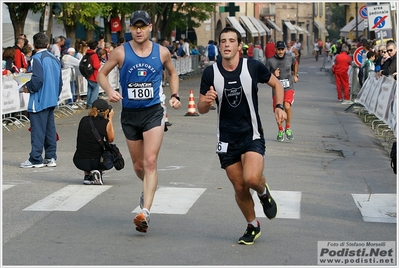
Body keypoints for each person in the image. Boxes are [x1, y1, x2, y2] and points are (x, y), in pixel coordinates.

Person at [197, 27, 286, 245]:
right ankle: (252, 225)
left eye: (231, 41)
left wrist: (280, 106)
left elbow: (277, 85)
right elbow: (200, 108)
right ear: (219, 45)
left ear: (239, 45)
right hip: (226, 139)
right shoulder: (211, 73)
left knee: (251, 179)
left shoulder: (252, 66)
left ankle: (263, 193)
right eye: (223, 41)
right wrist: (207, 102)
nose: (227, 44)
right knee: (239, 187)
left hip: (251, 134)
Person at [97, 10, 182, 233]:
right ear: (130, 28)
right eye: (135, 26)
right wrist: (110, 91)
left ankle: (145, 211)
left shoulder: (161, 52)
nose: (138, 30)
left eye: (142, 26)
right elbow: (101, 74)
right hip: (130, 115)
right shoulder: (120, 52)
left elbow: (172, 73)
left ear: (150, 28)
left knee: (150, 161)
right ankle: (149, 187)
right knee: (138, 166)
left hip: (153, 112)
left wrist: (174, 95)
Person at [20, 32, 63, 168]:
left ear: (33, 44)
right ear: (48, 44)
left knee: (37, 129)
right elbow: (60, 82)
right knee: (50, 129)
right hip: (51, 98)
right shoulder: (54, 58)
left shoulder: (36, 58)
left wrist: (28, 87)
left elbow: (37, 79)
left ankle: (35, 158)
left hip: (39, 99)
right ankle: (50, 157)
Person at [73, 99, 115, 185]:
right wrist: (110, 119)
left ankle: (87, 175)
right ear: (106, 111)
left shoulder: (83, 120)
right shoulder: (106, 123)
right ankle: (97, 170)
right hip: (96, 161)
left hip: (79, 161)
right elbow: (110, 139)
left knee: (87, 146)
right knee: (114, 152)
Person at [265, 41, 298, 142]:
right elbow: (265, 76)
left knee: (287, 106)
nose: (280, 51)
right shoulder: (270, 61)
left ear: (285, 49)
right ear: (275, 49)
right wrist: (273, 74)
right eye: (278, 49)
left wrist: (296, 75)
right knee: (277, 110)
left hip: (289, 87)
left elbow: (295, 63)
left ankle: (287, 128)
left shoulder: (290, 57)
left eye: (282, 49)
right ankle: (280, 130)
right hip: (276, 90)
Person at [85, 40, 102, 109]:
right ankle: (92, 103)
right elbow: (96, 66)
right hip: (94, 75)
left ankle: (88, 103)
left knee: (89, 90)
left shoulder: (87, 54)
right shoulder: (94, 55)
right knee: (95, 90)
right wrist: (99, 64)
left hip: (88, 74)